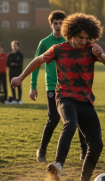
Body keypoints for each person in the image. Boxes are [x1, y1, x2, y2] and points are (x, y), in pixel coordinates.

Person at [12, 13, 105, 181]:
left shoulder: (91, 48)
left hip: (86, 100)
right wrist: (20, 78)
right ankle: (58, 164)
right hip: (65, 97)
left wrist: (100, 53)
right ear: (71, 33)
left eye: (87, 38)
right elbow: (38, 60)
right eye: (80, 37)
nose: (83, 41)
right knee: (70, 123)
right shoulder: (58, 49)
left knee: (97, 144)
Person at [29, 11, 87, 162]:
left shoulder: (71, 41)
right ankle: (42, 150)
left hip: (70, 86)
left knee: (78, 118)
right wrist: (33, 86)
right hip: (52, 86)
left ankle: (84, 150)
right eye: (56, 23)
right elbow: (36, 63)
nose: (58, 26)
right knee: (53, 119)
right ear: (51, 24)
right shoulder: (45, 43)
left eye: (61, 23)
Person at [7, 40, 24, 105]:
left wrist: (14, 64)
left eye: (16, 46)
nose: (14, 47)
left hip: (18, 73)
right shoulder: (10, 55)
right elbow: (7, 64)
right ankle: (14, 99)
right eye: (13, 46)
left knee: (19, 87)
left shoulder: (20, 55)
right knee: (12, 86)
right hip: (11, 73)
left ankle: (19, 100)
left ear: (18, 46)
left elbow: (20, 64)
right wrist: (13, 64)